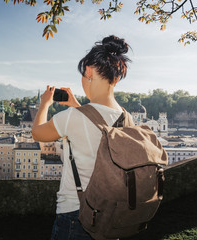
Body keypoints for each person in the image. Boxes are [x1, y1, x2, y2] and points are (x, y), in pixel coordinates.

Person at [31, 35, 131, 240]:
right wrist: (77, 106)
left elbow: (38, 133)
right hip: (113, 216)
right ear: (117, 77)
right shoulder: (126, 117)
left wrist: (44, 105)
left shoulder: (73, 118)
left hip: (77, 215)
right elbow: (97, 129)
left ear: (88, 71)